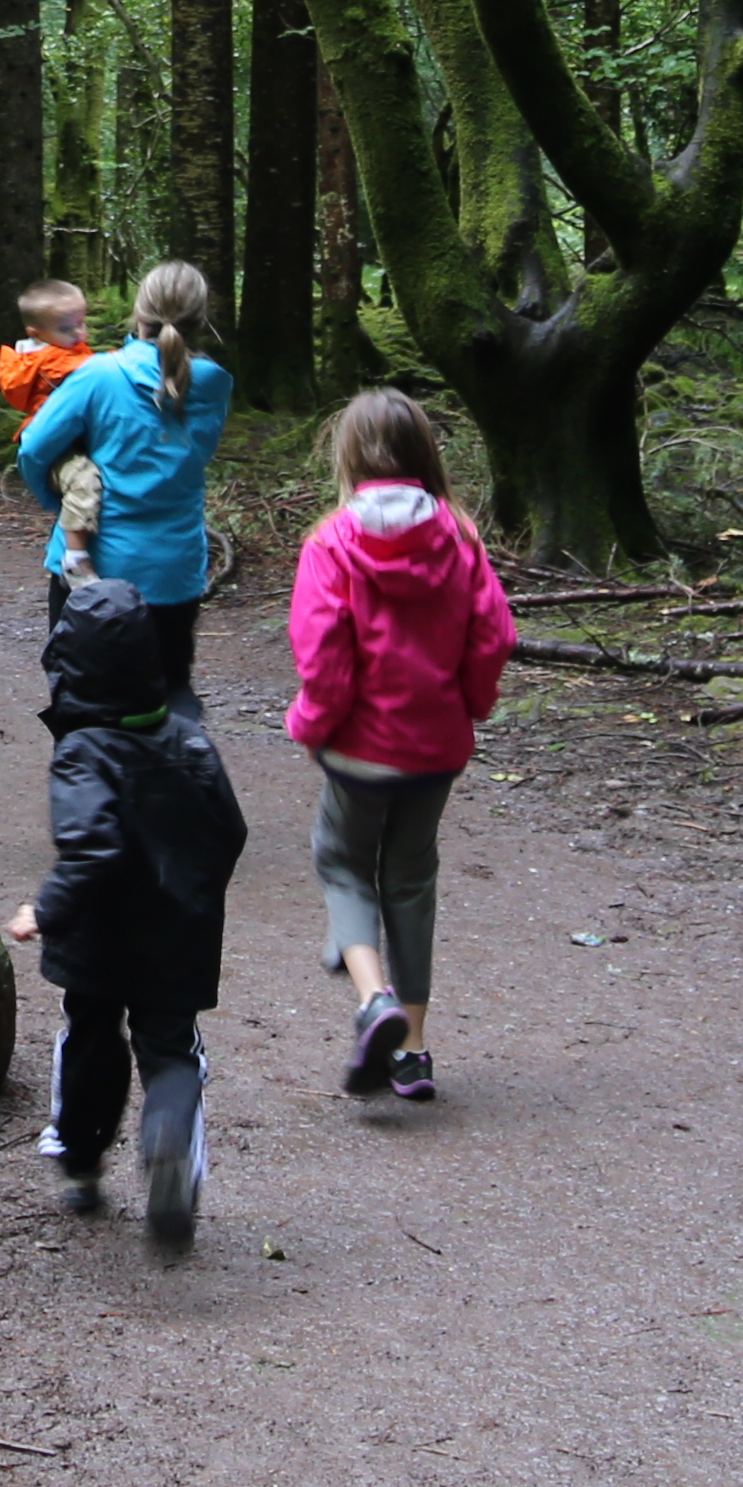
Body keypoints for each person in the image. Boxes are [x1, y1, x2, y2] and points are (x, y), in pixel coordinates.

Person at [1, 569, 249, 1251]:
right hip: (178, 932)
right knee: (170, 1050)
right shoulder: (190, 738)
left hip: (99, 936)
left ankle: (81, 1162)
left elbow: (92, 848)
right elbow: (229, 830)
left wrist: (44, 909)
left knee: (89, 1033)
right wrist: (197, 894)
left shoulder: (83, 752)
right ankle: (168, 1143)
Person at [282, 386, 511, 1108]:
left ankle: (372, 996)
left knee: (342, 863)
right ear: (424, 454)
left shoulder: (331, 542)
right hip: (435, 746)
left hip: (358, 749)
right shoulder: (462, 538)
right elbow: (493, 636)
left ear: (348, 455)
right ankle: (411, 1052)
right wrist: (468, 705)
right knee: (410, 880)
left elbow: (322, 656)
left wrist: (314, 724)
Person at [12, 260, 227, 692]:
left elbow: (34, 447)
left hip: (95, 564)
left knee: (81, 699)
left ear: (139, 311)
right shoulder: (216, 383)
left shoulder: (99, 375)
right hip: (175, 569)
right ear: (201, 318)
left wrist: (61, 501)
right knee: (166, 696)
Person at [0, 279, 97, 567]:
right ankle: (76, 556)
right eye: (67, 328)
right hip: (60, 444)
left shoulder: (64, 348)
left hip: (75, 435)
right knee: (84, 480)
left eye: (82, 323)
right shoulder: (51, 359)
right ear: (35, 334)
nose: (79, 333)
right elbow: (97, 371)